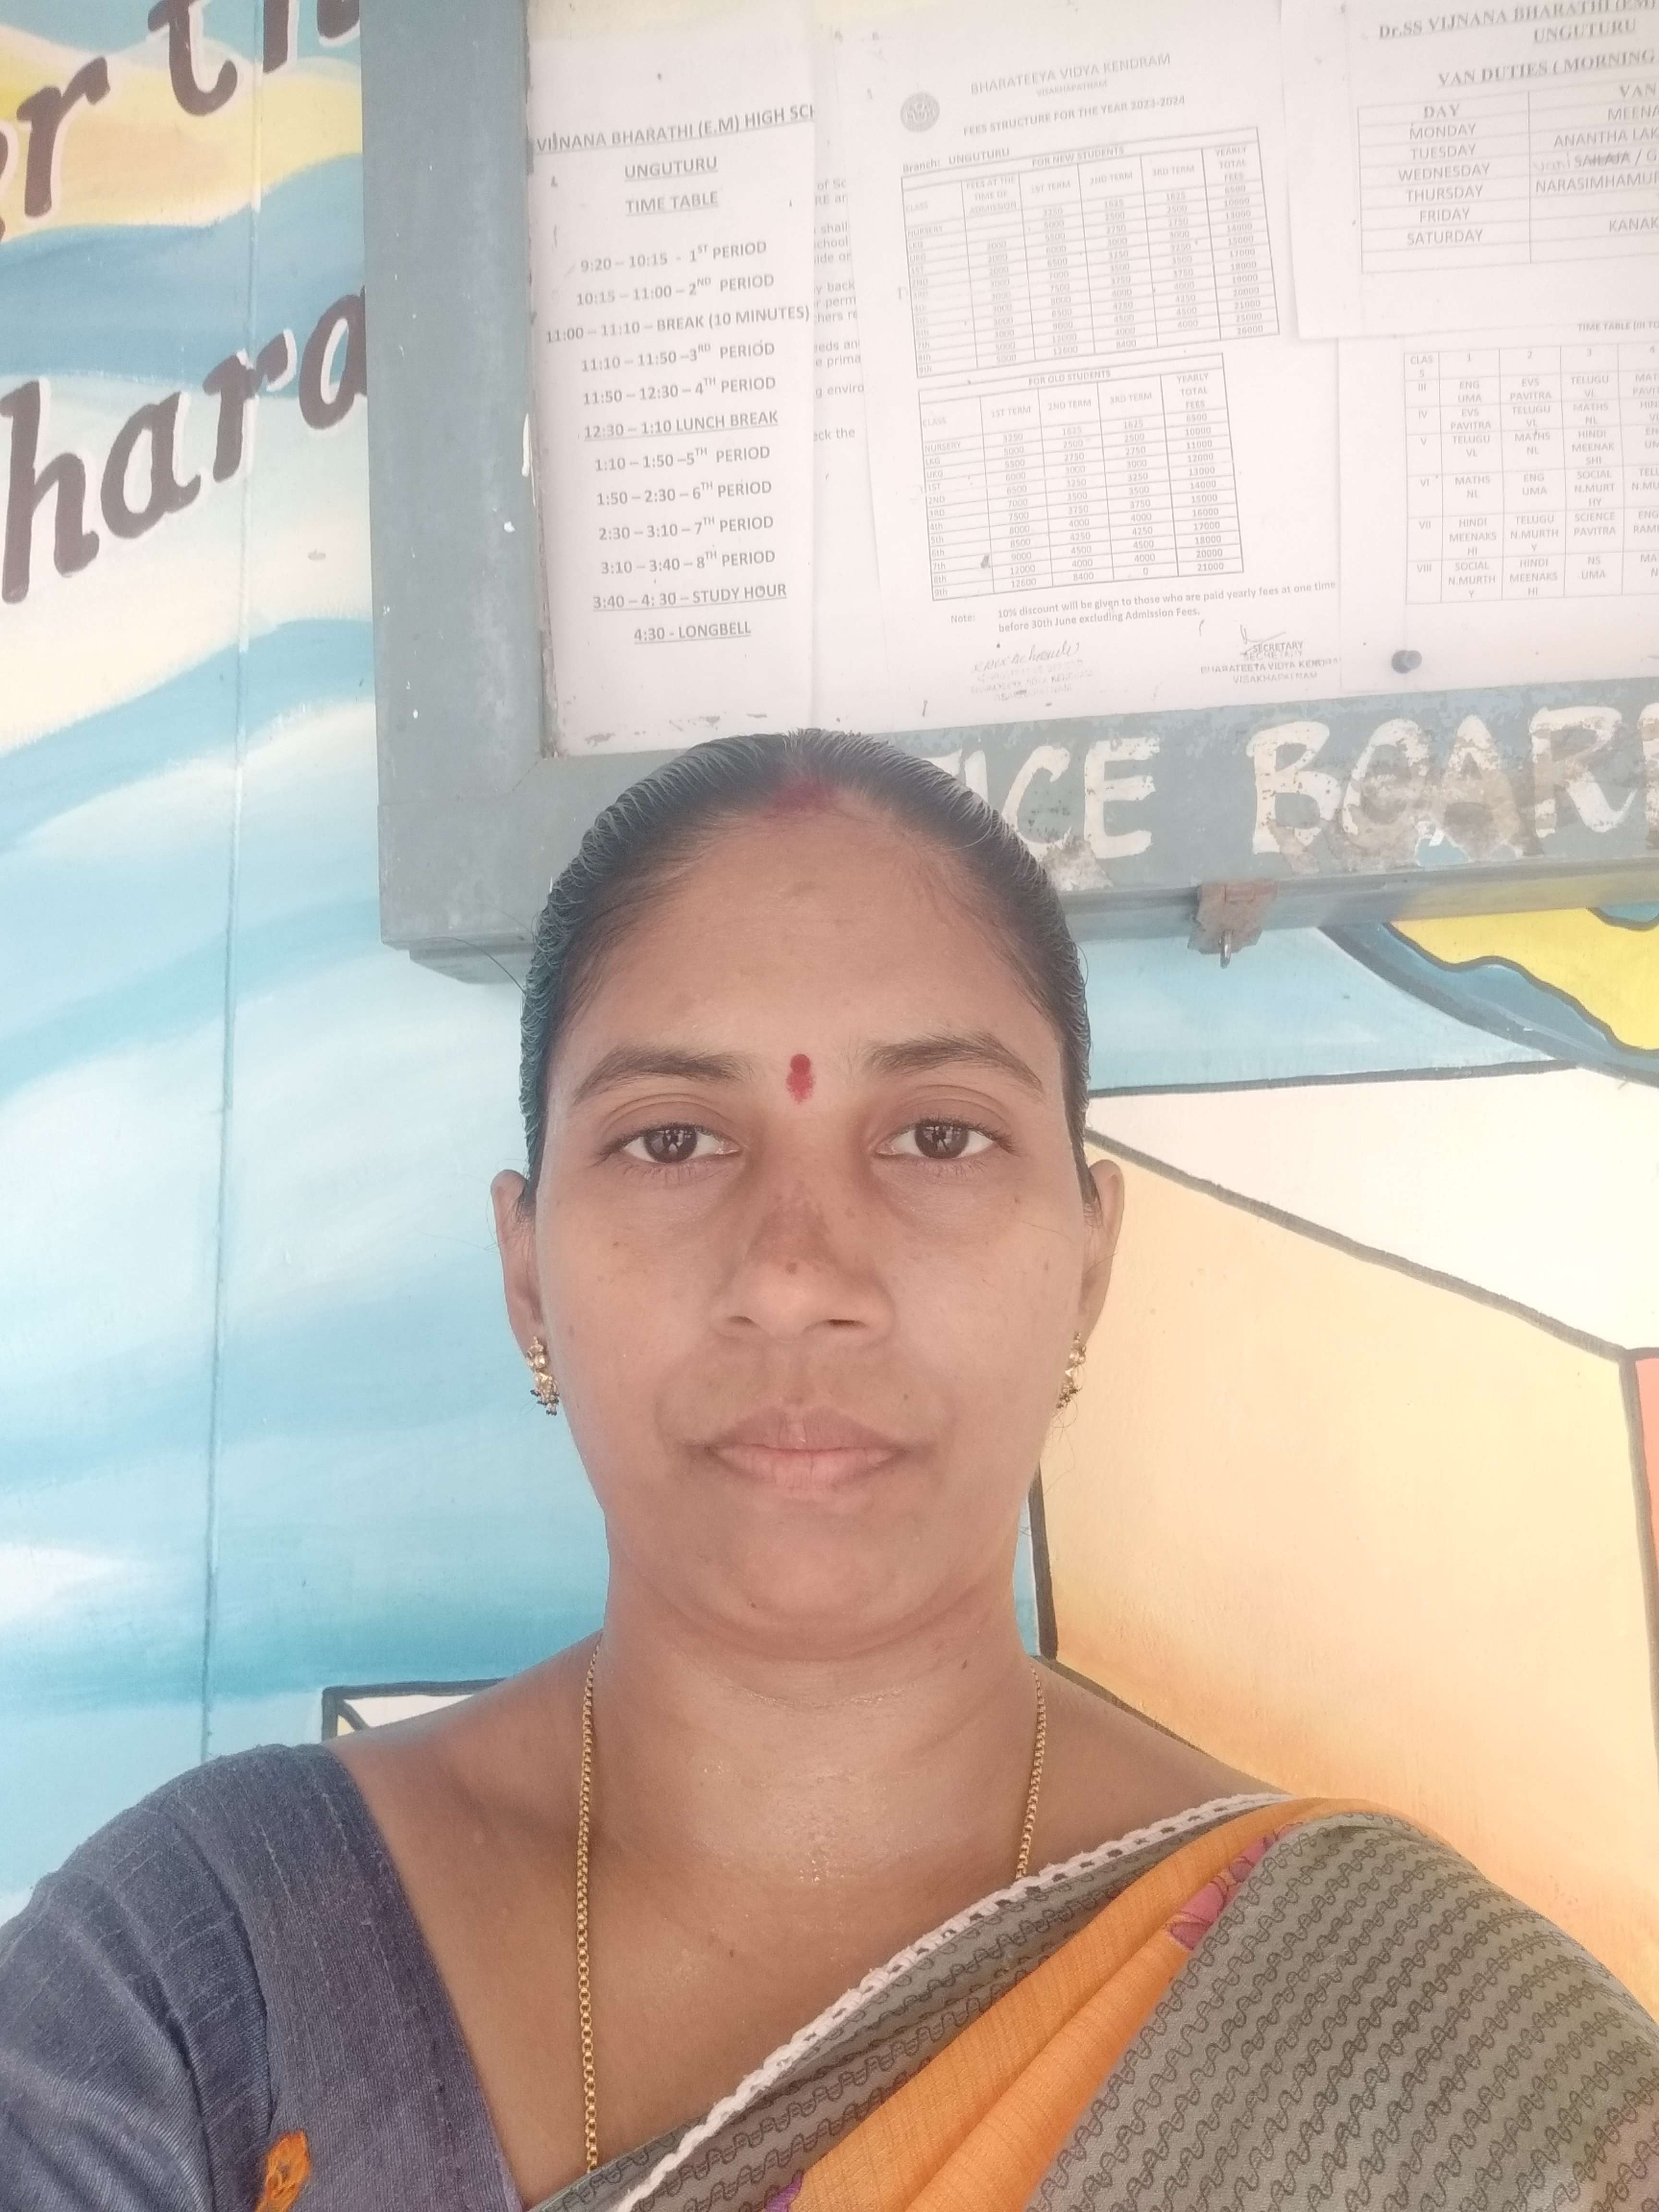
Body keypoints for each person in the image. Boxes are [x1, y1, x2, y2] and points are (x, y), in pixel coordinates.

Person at [1, 733, 1654, 2212]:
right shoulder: (202, 1979)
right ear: (527, 1275)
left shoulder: (1443, 2063)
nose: (798, 1273)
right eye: (673, 1139)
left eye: (938, 1135)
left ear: (1089, 1265)